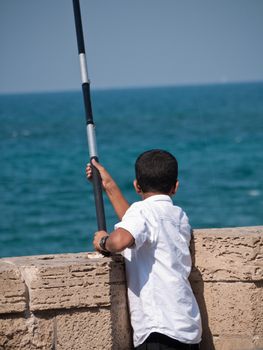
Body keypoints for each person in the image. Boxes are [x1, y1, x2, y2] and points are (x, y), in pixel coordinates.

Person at [86, 149, 202, 350]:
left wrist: (103, 241)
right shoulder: (179, 216)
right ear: (175, 187)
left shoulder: (143, 212)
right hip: (188, 328)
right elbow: (137, 224)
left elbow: (122, 239)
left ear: (136, 185)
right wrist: (108, 185)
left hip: (159, 330)